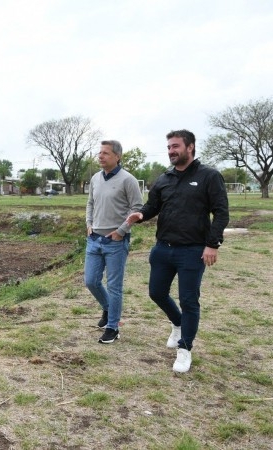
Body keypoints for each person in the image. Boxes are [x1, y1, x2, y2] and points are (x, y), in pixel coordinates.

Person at [125, 129, 229, 372]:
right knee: (156, 293)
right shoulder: (164, 178)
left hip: (192, 251)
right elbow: (152, 206)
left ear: (190, 147)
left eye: (176, 146)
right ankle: (178, 323)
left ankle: (185, 349)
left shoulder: (209, 176)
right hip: (163, 249)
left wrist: (212, 244)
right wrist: (141, 214)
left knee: (189, 300)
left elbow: (221, 212)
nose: (171, 151)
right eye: (169, 147)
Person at [85, 140, 144, 344]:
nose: (100, 156)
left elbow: (137, 209)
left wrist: (121, 231)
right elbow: (90, 203)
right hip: (94, 239)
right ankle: (108, 308)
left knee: (114, 286)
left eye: (106, 153)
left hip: (115, 242)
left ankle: (112, 327)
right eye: (99, 152)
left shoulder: (128, 180)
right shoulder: (95, 178)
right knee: (90, 281)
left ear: (117, 156)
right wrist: (89, 223)